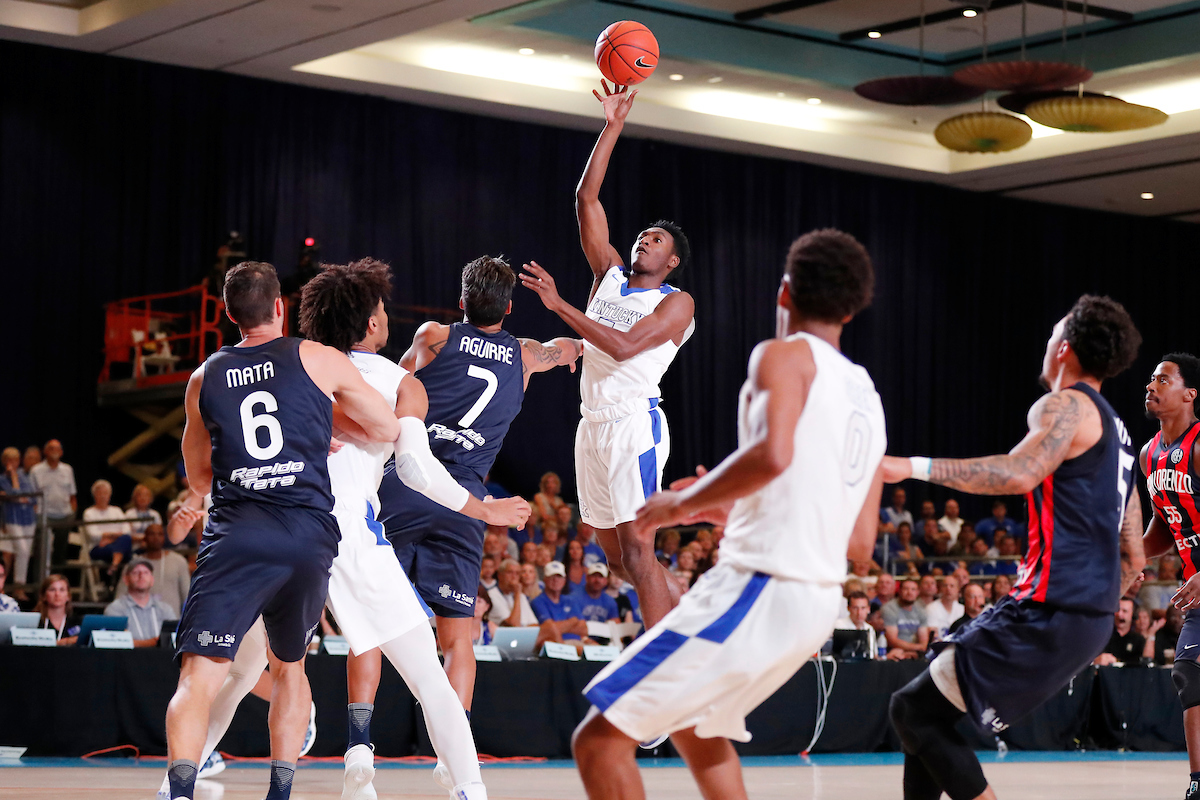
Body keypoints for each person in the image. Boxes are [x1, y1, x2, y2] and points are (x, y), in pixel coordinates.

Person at [570, 228, 885, 800]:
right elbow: (860, 543)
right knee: (697, 730)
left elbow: (772, 454)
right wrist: (731, 513)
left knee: (597, 741)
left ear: (785, 291)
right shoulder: (866, 393)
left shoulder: (782, 355)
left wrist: (683, 504)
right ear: (855, 304)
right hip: (816, 604)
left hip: (760, 588)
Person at [883, 294, 1144, 800]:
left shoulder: (1066, 404)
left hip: (1052, 606)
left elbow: (1020, 472)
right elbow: (1132, 551)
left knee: (911, 711)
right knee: (923, 715)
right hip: (1084, 615)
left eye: (1050, 337)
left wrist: (911, 466)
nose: (1045, 347)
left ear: (1064, 349)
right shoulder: (1120, 431)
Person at [162, 261, 402, 800]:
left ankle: (178, 792)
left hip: (238, 533)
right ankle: (279, 794)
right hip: (306, 533)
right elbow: (386, 428)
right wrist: (324, 426)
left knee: (198, 676)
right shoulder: (318, 358)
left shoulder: (204, 376)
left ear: (228, 314)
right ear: (279, 307)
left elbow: (199, 478)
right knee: (289, 668)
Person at [370, 255, 580, 721]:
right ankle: (454, 752)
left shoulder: (433, 338)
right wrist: (581, 347)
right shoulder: (526, 354)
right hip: (467, 499)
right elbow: (562, 348)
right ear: (508, 311)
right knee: (458, 639)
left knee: (369, 619)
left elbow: (392, 392)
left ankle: (359, 743)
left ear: (461, 301)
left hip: (408, 481)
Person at [519, 82, 695, 634]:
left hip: (633, 424)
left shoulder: (677, 303)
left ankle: (659, 680)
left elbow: (621, 348)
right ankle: (695, 621)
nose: (646, 240)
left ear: (672, 262)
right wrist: (613, 124)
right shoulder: (610, 276)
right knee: (617, 560)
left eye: (658, 240)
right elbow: (586, 201)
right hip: (591, 425)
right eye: (644, 234)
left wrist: (557, 305)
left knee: (640, 555)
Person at [1138, 352, 1200, 799]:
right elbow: (1165, 522)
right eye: (1151, 379)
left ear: (1189, 393)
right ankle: (1198, 782)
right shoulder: (1150, 456)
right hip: (1197, 591)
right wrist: (1132, 559)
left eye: (1163, 379)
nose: (1151, 385)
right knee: (1187, 672)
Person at [116, 523, 190, 617]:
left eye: (160, 534)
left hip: (171, 621)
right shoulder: (133, 565)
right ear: (145, 538)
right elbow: (120, 597)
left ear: (164, 537)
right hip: (139, 622)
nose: (156, 538)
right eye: (152, 534)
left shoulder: (179, 561)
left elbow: (187, 596)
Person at [104, 558, 178, 646]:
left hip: (162, 658)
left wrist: (138, 642)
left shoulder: (165, 609)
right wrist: (155, 642)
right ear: (126, 580)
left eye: (146, 572)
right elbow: (118, 642)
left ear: (152, 580)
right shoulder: (115, 608)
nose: (141, 576)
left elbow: (174, 639)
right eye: (135, 572)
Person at [29, 439, 76, 563]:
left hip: (64, 515)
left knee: (61, 552)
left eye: (57, 449)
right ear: (45, 451)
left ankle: (58, 579)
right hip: (43, 515)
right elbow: (31, 497)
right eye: (51, 448)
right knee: (41, 551)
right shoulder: (36, 470)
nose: (54, 451)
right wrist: (35, 513)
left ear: (61, 452)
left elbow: (72, 495)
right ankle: (40, 581)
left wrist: (72, 514)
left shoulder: (67, 469)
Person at [82, 479, 134, 578]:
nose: (102, 496)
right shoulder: (89, 512)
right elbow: (93, 535)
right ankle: (115, 574)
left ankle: (114, 565)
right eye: (99, 493)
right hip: (98, 547)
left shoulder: (117, 511)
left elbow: (127, 530)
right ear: (94, 495)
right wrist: (116, 536)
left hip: (114, 545)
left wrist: (109, 539)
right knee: (126, 552)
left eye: (105, 493)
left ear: (109, 495)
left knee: (126, 539)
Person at [0, 446, 36, 587]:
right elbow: (16, 494)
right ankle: (18, 585)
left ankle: (19, 587)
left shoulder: (26, 477)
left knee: (25, 554)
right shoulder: (2, 479)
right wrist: (14, 479)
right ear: (4, 462)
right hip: (12, 519)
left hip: (28, 519)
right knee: (22, 550)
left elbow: (33, 498)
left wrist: (14, 496)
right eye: (9, 460)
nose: (13, 463)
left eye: (15, 460)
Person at [530, 561, 588, 642]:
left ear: (564, 580)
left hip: (578, 642)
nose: (555, 580)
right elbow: (549, 630)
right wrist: (573, 621)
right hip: (557, 644)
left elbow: (584, 630)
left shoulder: (570, 600)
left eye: (559, 576)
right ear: (545, 579)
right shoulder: (538, 601)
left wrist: (558, 626)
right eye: (551, 576)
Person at [882, 579, 929, 660]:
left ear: (917, 592)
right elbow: (892, 641)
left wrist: (915, 650)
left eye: (913, 589)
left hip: (916, 653)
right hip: (893, 652)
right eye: (906, 589)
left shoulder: (921, 610)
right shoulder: (889, 608)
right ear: (899, 591)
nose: (909, 592)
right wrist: (916, 648)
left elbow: (924, 642)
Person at [488, 558, 539, 627]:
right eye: (510, 572)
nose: (514, 577)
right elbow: (513, 625)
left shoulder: (521, 596)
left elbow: (534, 624)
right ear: (500, 575)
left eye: (517, 573)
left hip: (522, 636)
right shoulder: (491, 596)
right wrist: (517, 594)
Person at [1095, 597, 1146, 666]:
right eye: (1117, 610)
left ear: (1133, 615)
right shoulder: (1103, 635)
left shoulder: (1138, 639)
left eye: (1124, 611)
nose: (1119, 614)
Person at [34, 573, 79, 645]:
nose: (57, 594)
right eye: (52, 590)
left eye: (62, 590)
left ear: (68, 596)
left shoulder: (77, 623)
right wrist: (64, 642)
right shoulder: (35, 622)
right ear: (44, 596)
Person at [834, 591, 878, 660]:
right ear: (848, 608)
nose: (859, 613)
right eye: (855, 608)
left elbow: (873, 655)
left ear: (868, 609)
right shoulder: (838, 626)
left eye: (863, 608)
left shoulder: (869, 629)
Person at [924, 575, 963, 641]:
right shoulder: (931, 608)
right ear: (940, 589)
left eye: (952, 586)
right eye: (945, 586)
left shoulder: (962, 609)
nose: (948, 589)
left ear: (957, 590)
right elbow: (933, 636)